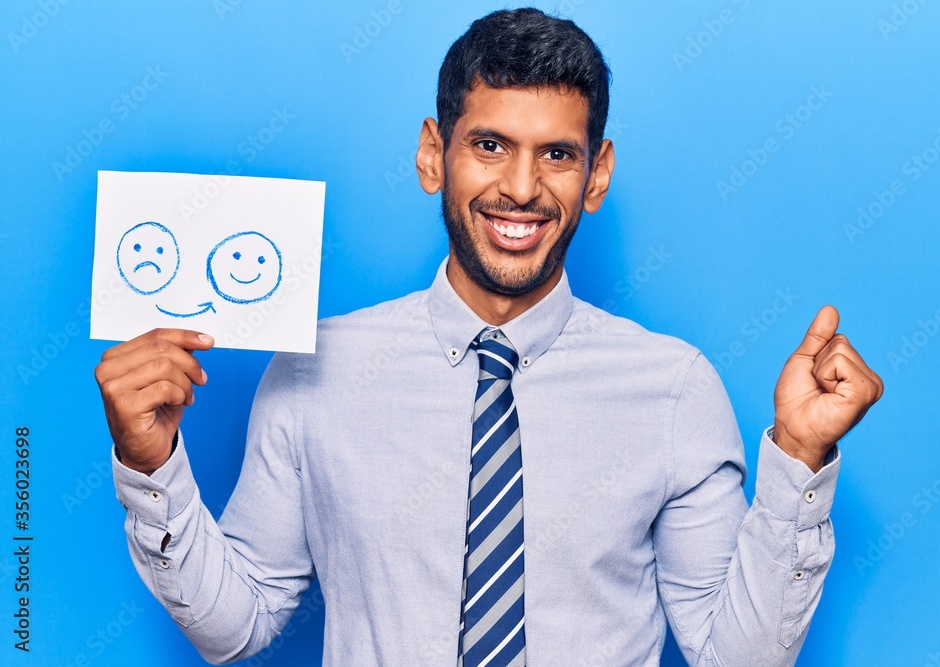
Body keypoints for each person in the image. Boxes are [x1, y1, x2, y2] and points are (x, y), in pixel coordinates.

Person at [95, 8, 883, 666]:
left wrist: (799, 458)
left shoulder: (674, 388)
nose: (520, 187)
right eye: (490, 144)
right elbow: (236, 624)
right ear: (434, 154)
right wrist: (150, 462)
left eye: (557, 155)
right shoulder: (314, 373)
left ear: (597, 174)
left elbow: (735, 656)